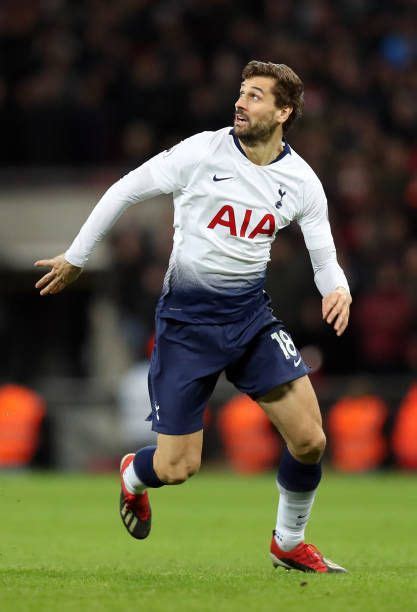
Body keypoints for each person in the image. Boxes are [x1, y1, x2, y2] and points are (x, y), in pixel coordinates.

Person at [35, 61, 351, 573]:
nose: (241, 103)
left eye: (255, 96)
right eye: (241, 93)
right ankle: (134, 476)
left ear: (284, 111)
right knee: (178, 468)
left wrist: (337, 290)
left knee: (311, 439)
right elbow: (124, 190)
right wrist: (77, 257)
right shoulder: (201, 152)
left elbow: (324, 256)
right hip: (186, 329)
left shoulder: (301, 181)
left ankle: (288, 543)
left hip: (251, 322)